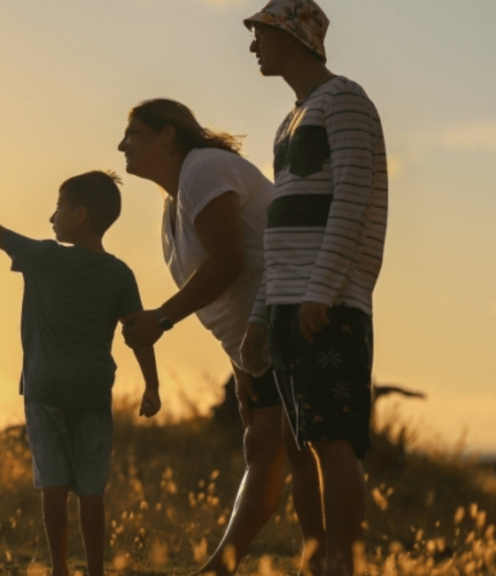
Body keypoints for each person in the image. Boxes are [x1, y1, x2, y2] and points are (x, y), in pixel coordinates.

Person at [0, 171, 161, 576]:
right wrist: (152, 384)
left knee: (53, 485)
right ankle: (96, 572)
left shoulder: (45, 256)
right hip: (93, 392)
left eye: (58, 208)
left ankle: (59, 570)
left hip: (45, 389)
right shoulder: (119, 273)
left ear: (79, 214)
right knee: (92, 491)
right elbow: (138, 333)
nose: (51, 217)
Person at [117, 98, 324, 575]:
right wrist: (239, 363)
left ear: (168, 135)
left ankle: (305, 562)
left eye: (134, 134)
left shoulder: (204, 169)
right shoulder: (176, 200)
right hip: (258, 338)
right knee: (266, 447)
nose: (122, 145)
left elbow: (229, 260)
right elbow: (232, 277)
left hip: (289, 316)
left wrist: (161, 319)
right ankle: (249, 565)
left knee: (295, 446)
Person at [241, 2, 388, 574]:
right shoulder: (291, 118)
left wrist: (322, 290)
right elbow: (280, 228)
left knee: (332, 441)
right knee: (300, 444)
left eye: (261, 34)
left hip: (326, 303)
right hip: (287, 302)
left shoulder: (346, 101)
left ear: (293, 38)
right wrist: (260, 314)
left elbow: (354, 199)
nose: (253, 45)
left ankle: (342, 565)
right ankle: (318, 561)